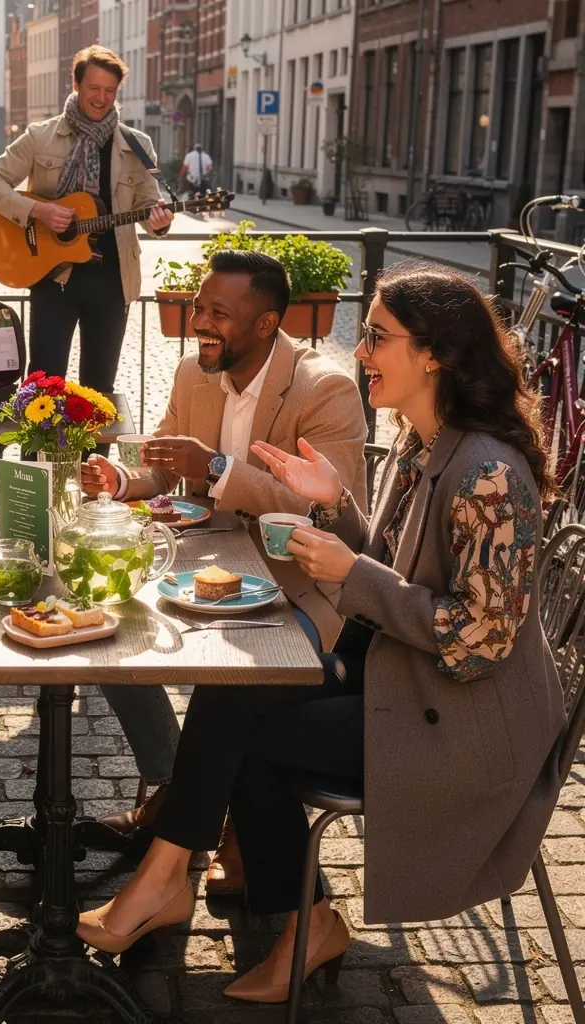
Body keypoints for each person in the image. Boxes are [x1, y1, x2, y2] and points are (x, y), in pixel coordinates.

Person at [76, 263, 566, 1007]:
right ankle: (267, 912)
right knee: (242, 688)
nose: (359, 350)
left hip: (465, 724)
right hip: (404, 676)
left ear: (432, 353)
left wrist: (348, 566)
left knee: (241, 720)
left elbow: (479, 642)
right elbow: (390, 565)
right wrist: (334, 507)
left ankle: (178, 882)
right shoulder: (424, 441)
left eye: (376, 336)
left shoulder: (489, 474)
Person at [82, 250, 368, 893]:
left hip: (297, 589)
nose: (199, 323)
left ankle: (182, 832)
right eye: (197, 308)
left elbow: (328, 511)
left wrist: (216, 470)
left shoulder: (326, 388)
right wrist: (123, 478)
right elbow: (164, 463)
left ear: (267, 325)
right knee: (109, 631)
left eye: (218, 313)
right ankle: (174, 786)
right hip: (202, 571)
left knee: (234, 680)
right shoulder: (195, 371)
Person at [0, 44, 173, 394]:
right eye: (94, 88)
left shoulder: (137, 145)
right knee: (44, 386)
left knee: (99, 389)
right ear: (76, 85)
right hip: (55, 280)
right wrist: (38, 210)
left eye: (109, 91)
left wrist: (159, 222)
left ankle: (92, 452)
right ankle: (40, 452)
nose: (101, 98)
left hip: (113, 282)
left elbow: (148, 204)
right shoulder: (41, 137)